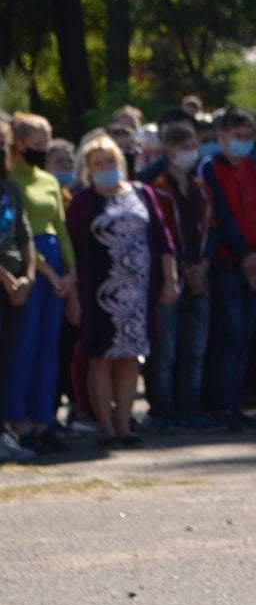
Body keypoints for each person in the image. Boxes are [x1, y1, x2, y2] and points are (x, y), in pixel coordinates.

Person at [67, 132, 178, 449]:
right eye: (97, 163)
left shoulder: (142, 194)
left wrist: (170, 281)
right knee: (101, 359)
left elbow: (163, 240)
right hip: (99, 294)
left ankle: (124, 425)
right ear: (88, 169)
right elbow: (71, 252)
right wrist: (74, 298)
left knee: (130, 358)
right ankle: (105, 427)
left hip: (138, 295)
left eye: (110, 161)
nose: (105, 167)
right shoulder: (83, 202)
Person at [4, 113, 75, 454]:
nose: (42, 148)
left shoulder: (48, 181)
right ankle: (18, 419)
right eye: (36, 142)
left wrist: (70, 272)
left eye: (46, 142)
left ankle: (43, 418)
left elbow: (60, 229)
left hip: (57, 269)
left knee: (49, 348)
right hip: (33, 267)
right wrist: (46, 272)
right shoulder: (12, 179)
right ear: (18, 143)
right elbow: (22, 234)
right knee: (24, 348)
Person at [200, 109, 256, 433]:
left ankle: (237, 399)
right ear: (222, 136)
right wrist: (246, 258)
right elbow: (223, 217)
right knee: (228, 334)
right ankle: (220, 402)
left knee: (246, 335)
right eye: (237, 136)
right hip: (228, 264)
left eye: (248, 137)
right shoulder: (211, 169)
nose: (243, 143)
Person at [144, 118, 214, 432]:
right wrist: (183, 269)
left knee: (195, 349)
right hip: (169, 278)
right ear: (168, 151)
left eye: (192, 147)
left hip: (200, 275)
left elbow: (211, 231)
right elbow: (160, 237)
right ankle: (162, 410)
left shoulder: (200, 189)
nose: (190, 153)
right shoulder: (156, 188)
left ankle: (190, 407)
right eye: (183, 148)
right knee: (165, 351)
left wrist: (203, 266)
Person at [0, 124, 38, 462]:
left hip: (16, 287)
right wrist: (5, 279)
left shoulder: (10, 188)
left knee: (7, 359)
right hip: (4, 283)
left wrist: (26, 277)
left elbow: (25, 237)